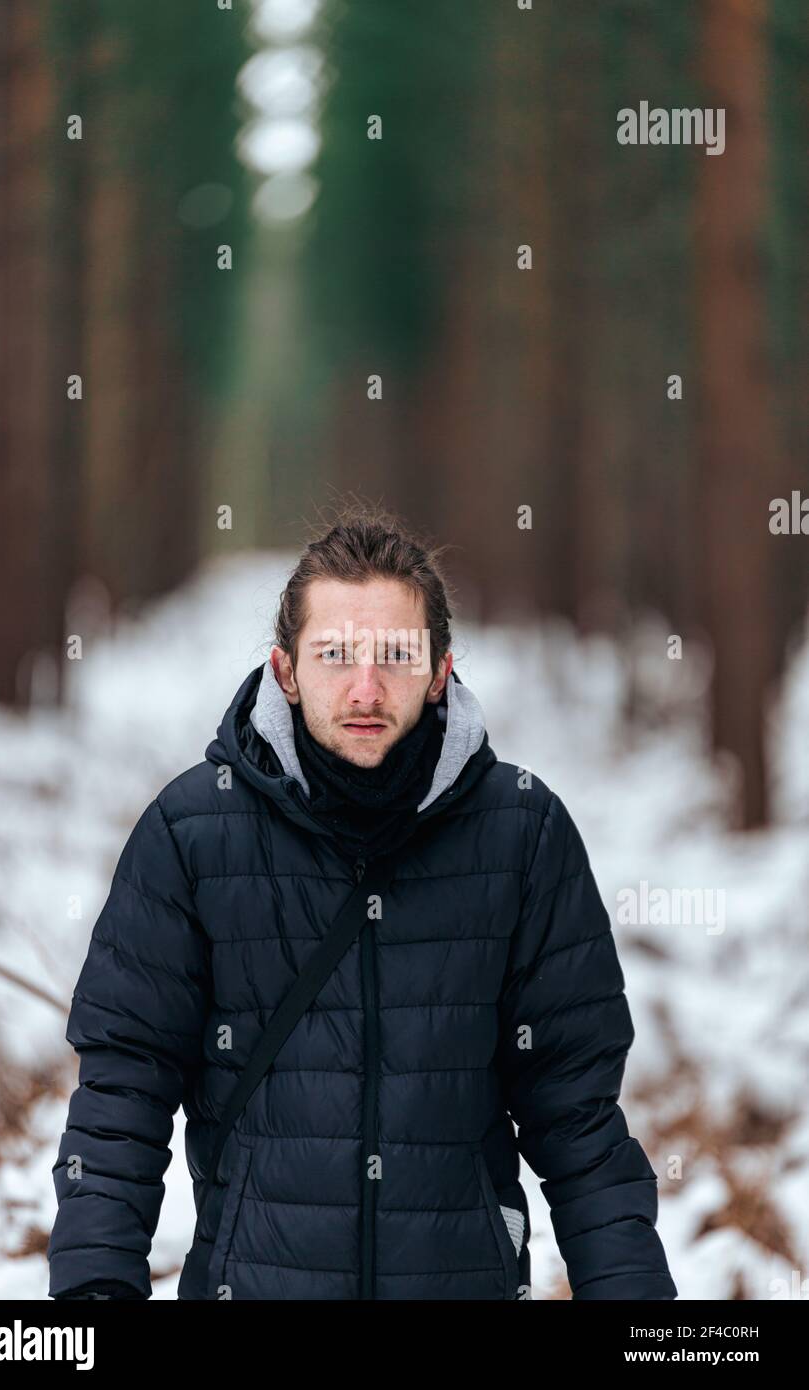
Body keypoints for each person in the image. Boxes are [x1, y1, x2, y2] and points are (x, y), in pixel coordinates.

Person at [48, 508, 677, 1301]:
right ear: (285, 669)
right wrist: (91, 1298)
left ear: (440, 670)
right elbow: (120, 1102)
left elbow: (579, 1120)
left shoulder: (523, 835)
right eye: (336, 655)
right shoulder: (190, 833)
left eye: (396, 656)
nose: (366, 688)